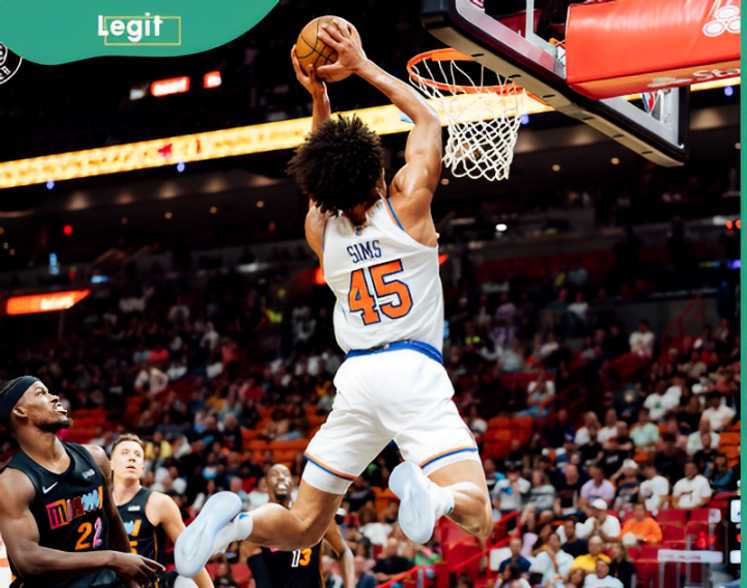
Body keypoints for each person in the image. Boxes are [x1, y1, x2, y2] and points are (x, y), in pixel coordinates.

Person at [174, 21, 492, 579]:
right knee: (480, 515)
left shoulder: (323, 236)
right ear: (378, 171)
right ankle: (434, 500)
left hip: (358, 379)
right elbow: (425, 118)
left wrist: (320, 98)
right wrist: (362, 64)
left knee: (305, 525)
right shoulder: (409, 209)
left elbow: (321, 184)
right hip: (411, 369)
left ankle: (234, 526)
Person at [0, 377, 164, 587]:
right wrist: (111, 559)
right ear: (20, 411)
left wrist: (131, 581)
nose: (55, 397)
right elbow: (27, 559)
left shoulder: (95, 457)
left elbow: (113, 520)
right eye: (41, 393)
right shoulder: (13, 482)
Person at [109, 433, 213, 588]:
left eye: (138, 455)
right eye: (125, 453)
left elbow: (189, 555)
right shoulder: (100, 504)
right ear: (111, 464)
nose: (132, 458)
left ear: (143, 467)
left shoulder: (159, 502)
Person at [240, 465, 355, 588]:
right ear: (265, 485)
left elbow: (344, 551)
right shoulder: (258, 525)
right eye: (274, 475)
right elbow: (263, 582)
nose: (280, 478)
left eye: (285, 474)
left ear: (293, 483)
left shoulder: (314, 514)